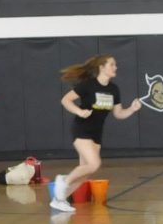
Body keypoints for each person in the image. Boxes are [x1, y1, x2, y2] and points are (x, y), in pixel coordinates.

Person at [50, 54, 141, 214]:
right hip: (82, 129)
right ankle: (63, 181)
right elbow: (65, 100)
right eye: (112, 65)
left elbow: (119, 114)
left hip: (96, 134)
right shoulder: (88, 85)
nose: (115, 67)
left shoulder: (114, 89)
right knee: (94, 164)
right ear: (102, 67)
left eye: (115, 65)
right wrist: (79, 111)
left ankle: (59, 199)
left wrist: (132, 109)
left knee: (85, 172)